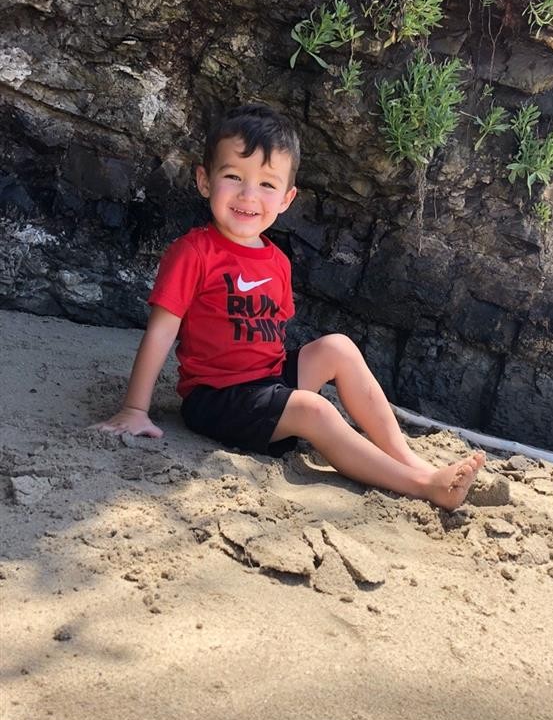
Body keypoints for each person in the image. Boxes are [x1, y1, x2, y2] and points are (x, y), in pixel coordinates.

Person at [94, 104, 485, 509]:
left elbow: (271, 342)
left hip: (265, 383)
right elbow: (161, 331)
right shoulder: (194, 252)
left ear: (287, 198)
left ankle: (409, 460)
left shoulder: (277, 260)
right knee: (313, 409)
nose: (249, 195)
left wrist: (285, 387)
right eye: (233, 177)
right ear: (204, 180)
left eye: (267, 184)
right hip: (217, 399)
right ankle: (422, 486)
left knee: (338, 347)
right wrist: (135, 408)